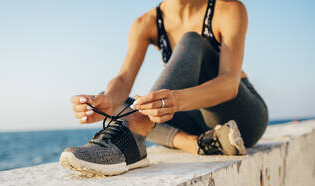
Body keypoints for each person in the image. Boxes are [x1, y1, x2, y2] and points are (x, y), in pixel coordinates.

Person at [60, 0, 268, 176]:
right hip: (195, 118)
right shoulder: (146, 23)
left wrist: (174, 100)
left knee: (191, 40)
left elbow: (229, 84)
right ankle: (194, 143)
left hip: (241, 117)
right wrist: (109, 100)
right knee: (119, 104)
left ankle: (131, 139)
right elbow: (124, 79)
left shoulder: (227, 8)